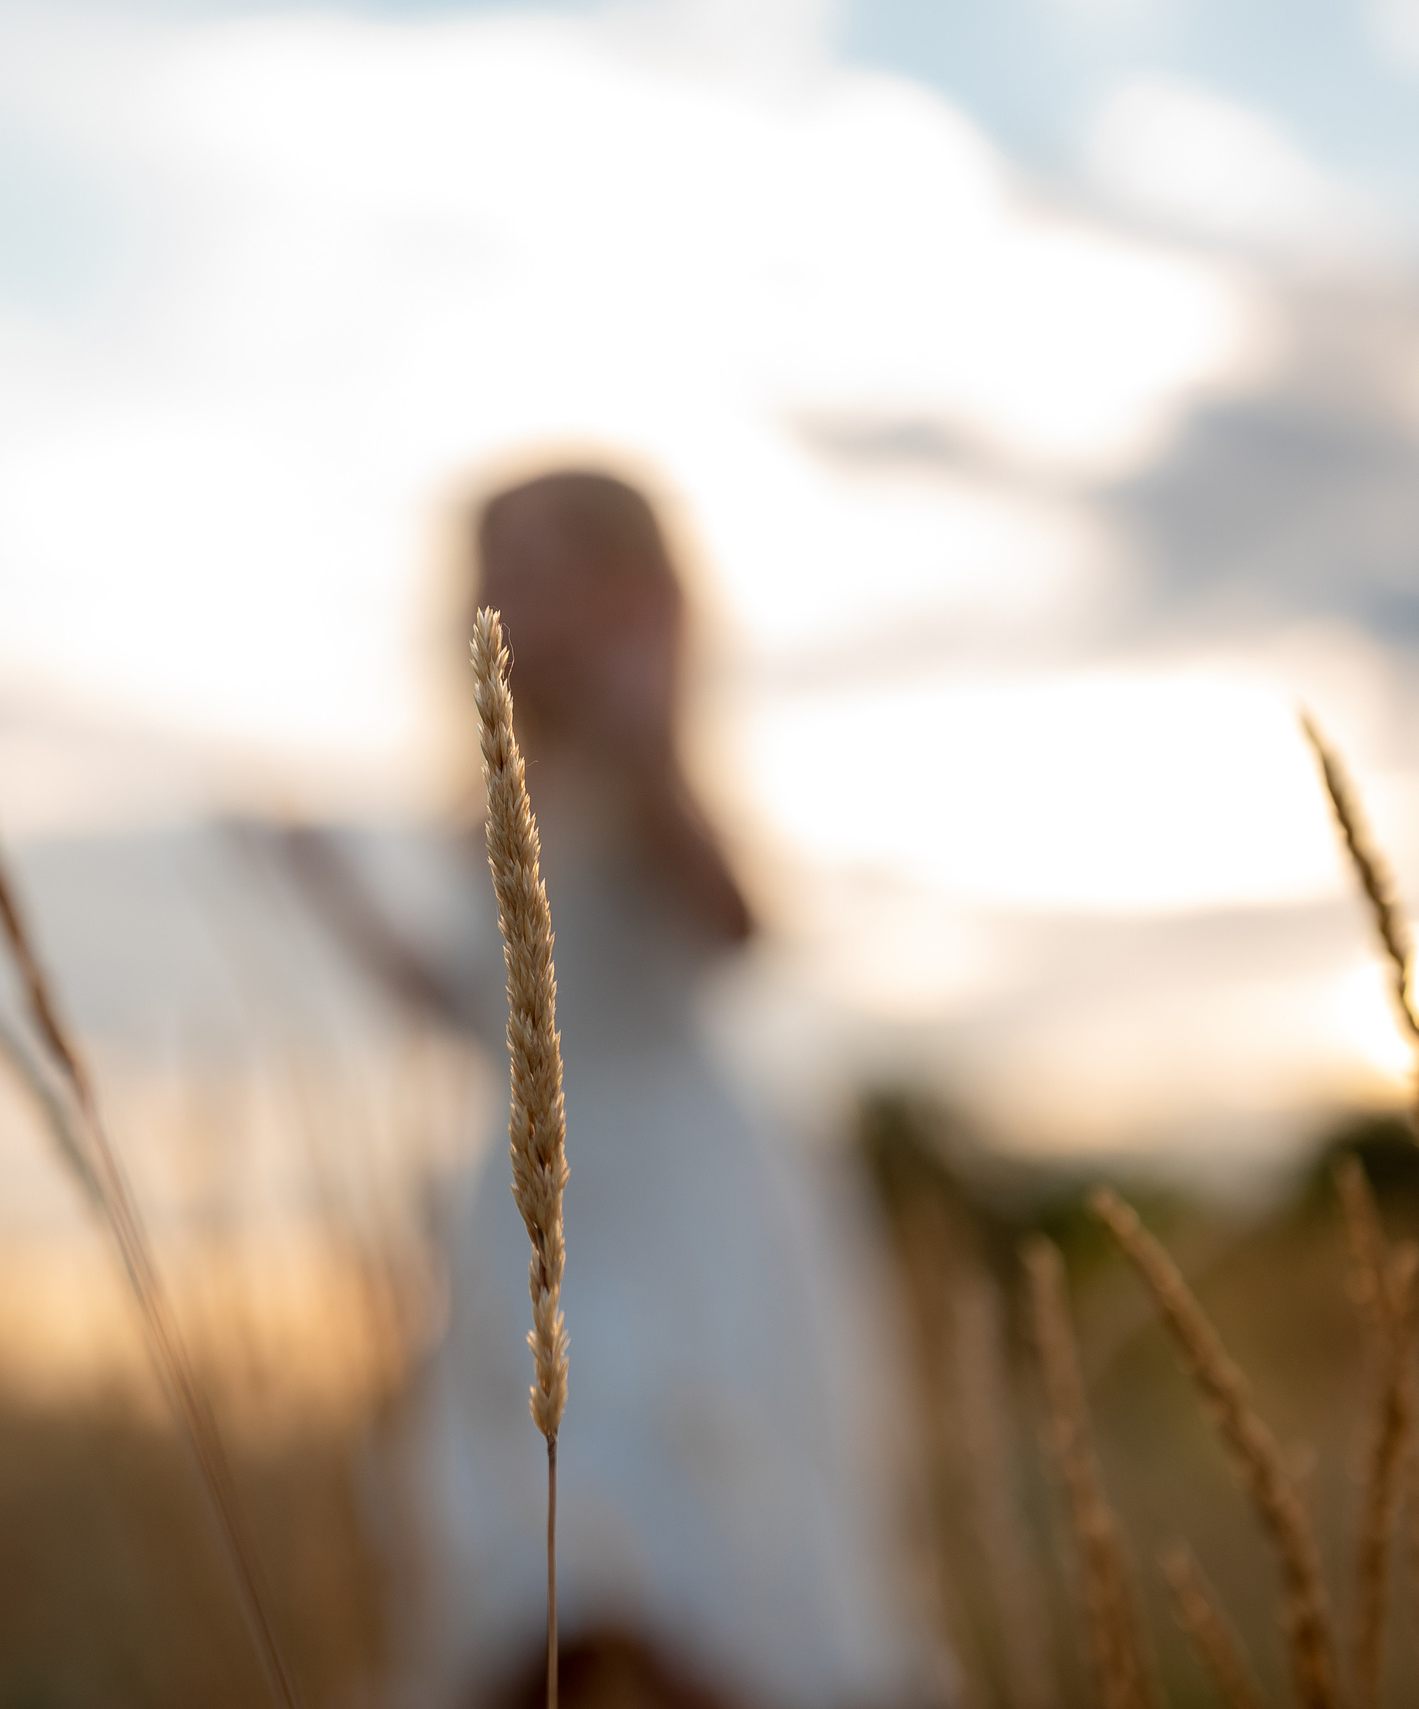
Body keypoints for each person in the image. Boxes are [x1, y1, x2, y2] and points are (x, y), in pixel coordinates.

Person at [297, 470, 938, 1709]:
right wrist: (332, 894)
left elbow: (738, 923)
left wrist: (646, 745)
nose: (508, 592)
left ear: (628, 590)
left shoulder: (648, 763)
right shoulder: (495, 789)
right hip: (532, 1206)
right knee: (522, 1568)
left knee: (711, 1548)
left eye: (542, 563)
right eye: (493, 564)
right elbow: (477, 1010)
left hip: (684, 1203)